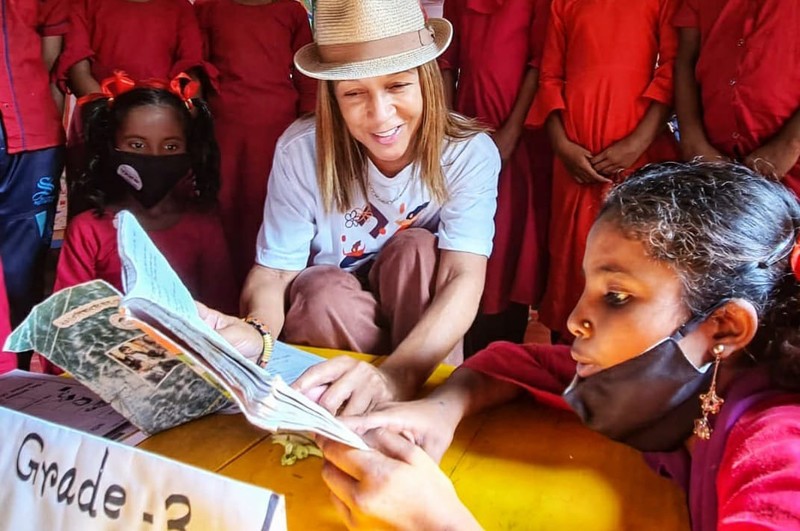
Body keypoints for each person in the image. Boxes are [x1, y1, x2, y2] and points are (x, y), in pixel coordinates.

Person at [318, 162, 800, 529]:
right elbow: (519, 362)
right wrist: (441, 409)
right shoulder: (676, 385)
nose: (573, 320)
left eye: (616, 297)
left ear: (724, 328)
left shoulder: (781, 450)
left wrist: (440, 521)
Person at [201, 0, 500, 416]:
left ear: (428, 80)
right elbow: (275, 271)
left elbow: (463, 275)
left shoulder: (468, 154)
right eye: (355, 92)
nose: (380, 116)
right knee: (320, 290)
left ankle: (421, 402)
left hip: (417, 348)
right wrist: (258, 333)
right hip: (336, 327)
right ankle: (339, 409)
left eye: (397, 86)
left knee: (415, 249)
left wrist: (395, 375)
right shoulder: (300, 150)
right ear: (331, 97)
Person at [47, 74, 237, 375]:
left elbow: (224, 315)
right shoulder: (89, 229)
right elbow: (66, 324)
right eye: (137, 144)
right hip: (104, 372)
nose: (153, 157)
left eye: (171, 147)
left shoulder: (203, 224)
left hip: (189, 370)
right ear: (111, 148)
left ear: (190, 150)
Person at [528, 0, 680, 341]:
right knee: (571, 261)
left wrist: (637, 144)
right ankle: (564, 368)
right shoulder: (563, 4)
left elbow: (671, 71)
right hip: (574, 163)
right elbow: (550, 76)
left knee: (631, 262)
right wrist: (561, 144)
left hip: (639, 159)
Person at [439, 0, 552, 349]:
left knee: (510, 238)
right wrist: (448, 128)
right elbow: (446, 64)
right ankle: (462, 339)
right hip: (469, 128)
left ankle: (503, 349)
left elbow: (538, 66)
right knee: (466, 234)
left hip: (518, 138)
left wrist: (510, 133)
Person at [195, 0, 318, 286]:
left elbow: (307, 75)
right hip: (223, 128)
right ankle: (224, 290)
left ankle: (274, 290)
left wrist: (308, 128)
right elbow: (197, 69)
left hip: (280, 130)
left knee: (273, 204)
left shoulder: (291, 11)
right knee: (224, 204)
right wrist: (197, 124)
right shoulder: (208, 8)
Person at [0, 0, 67, 372]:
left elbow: (48, 60)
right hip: (29, 134)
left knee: (23, 267)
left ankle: (19, 375)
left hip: (32, 138)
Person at [673, 0, 800, 198]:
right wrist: (693, 140)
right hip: (714, 161)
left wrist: (791, 143)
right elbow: (685, 60)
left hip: (790, 161)